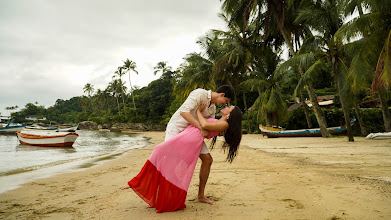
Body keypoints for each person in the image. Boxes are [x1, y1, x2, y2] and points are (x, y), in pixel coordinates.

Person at [121, 103, 242, 213]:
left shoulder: (224, 124)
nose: (226, 107)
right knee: (162, 155)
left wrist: (199, 111)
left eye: (229, 108)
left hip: (189, 139)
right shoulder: (220, 121)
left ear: (229, 116)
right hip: (189, 136)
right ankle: (148, 189)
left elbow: (204, 124)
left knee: (161, 154)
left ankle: (141, 184)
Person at [165, 85, 235, 205]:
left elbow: (207, 127)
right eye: (226, 101)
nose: (224, 104)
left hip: (192, 134)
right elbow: (184, 112)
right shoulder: (200, 94)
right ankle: (163, 193)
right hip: (176, 129)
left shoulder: (212, 109)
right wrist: (200, 127)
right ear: (222, 94)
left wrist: (219, 131)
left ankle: (201, 196)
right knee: (171, 161)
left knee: (207, 160)